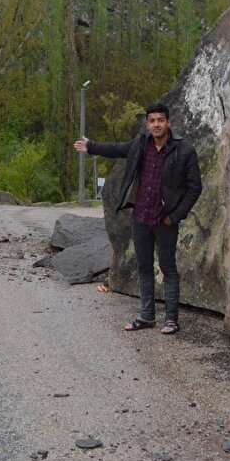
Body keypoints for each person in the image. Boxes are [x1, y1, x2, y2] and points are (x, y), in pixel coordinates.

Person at [75, 103, 202, 335]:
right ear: (147, 123)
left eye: (160, 120)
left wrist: (174, 216)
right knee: (144, 268)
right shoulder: (141, 144)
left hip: (164, 221)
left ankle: (171, 320)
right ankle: (147, 317)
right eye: (152, 120)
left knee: (168, 268)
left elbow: (195, 188)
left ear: (168, 122)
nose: (156, 124)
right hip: (141, 216)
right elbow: (119, 149)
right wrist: (91, 146)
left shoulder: (184, 149)